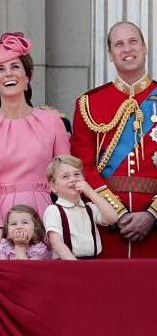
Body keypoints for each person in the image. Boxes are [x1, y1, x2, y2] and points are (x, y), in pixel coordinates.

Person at [0, 31, 71, 260]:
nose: (8, 74)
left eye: (15, 66)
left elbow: (66, 180)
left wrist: (62, 226)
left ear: (28, 75)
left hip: (46, 218)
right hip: (0, 219)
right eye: (0, 69)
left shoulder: (53, 121)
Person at [70, 21, 157, 258]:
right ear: (110, 54)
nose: (127, 49)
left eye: (133, 42)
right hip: (105, 225)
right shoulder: (89, 104)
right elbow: (81, 167)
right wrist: (116, 212)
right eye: (119, 44)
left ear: (145, 47)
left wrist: (152, 214)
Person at [43, 155, 118, 260]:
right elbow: (57, 243)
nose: (73, 179)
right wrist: (76, 266)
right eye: (65, 176)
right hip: (67, 263)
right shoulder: (53, 210)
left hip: (92, 262)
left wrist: (91, 193)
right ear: (53, 186)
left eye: (77, 174)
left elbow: (112, 218)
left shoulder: (89, 208)